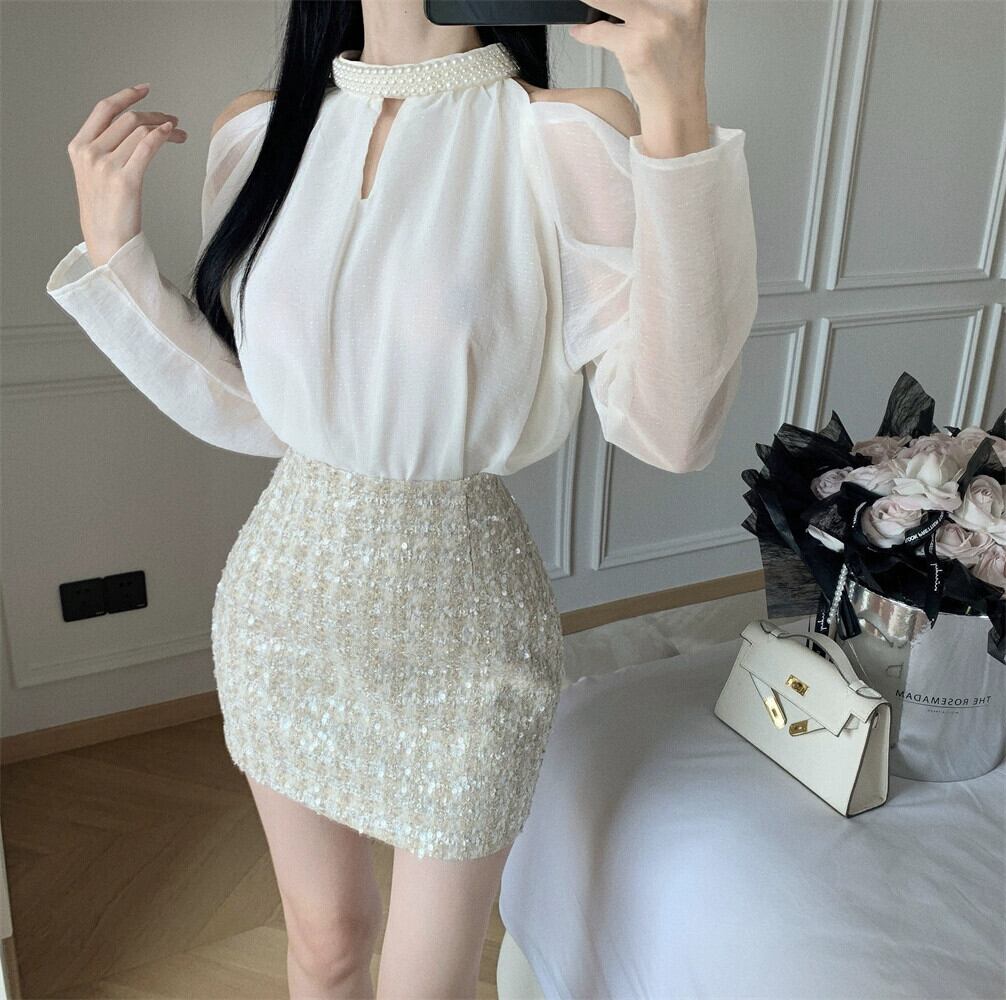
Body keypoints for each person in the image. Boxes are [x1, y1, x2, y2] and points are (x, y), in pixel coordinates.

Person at [45, 1, 758, 996]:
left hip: (469, 635)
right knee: (325, 942)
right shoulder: (256, 133)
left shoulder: (564, 132)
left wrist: (677, 114)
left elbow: (673, 429)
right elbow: (258, 407)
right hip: (283, 609)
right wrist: (113, 254)